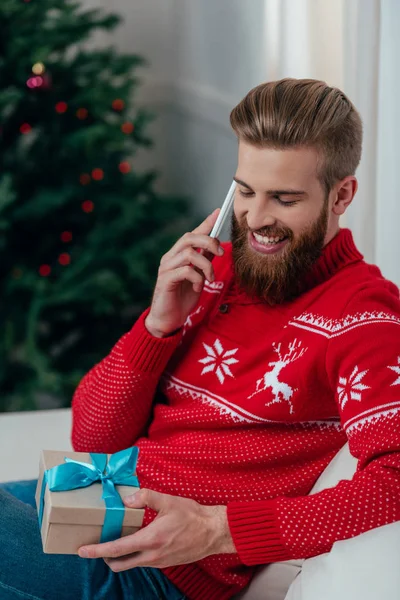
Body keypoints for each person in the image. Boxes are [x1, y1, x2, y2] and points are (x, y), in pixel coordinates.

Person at [1, 78, 400, 600]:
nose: (257, 220)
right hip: (96, 507)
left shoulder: (364, 317)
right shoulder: (210, 273)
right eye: (246, 191)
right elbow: (92, 439)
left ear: (341, 194)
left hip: (158, 571)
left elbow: (393, 481)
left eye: (284, 198)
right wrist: (156, 327)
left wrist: (220, 530)